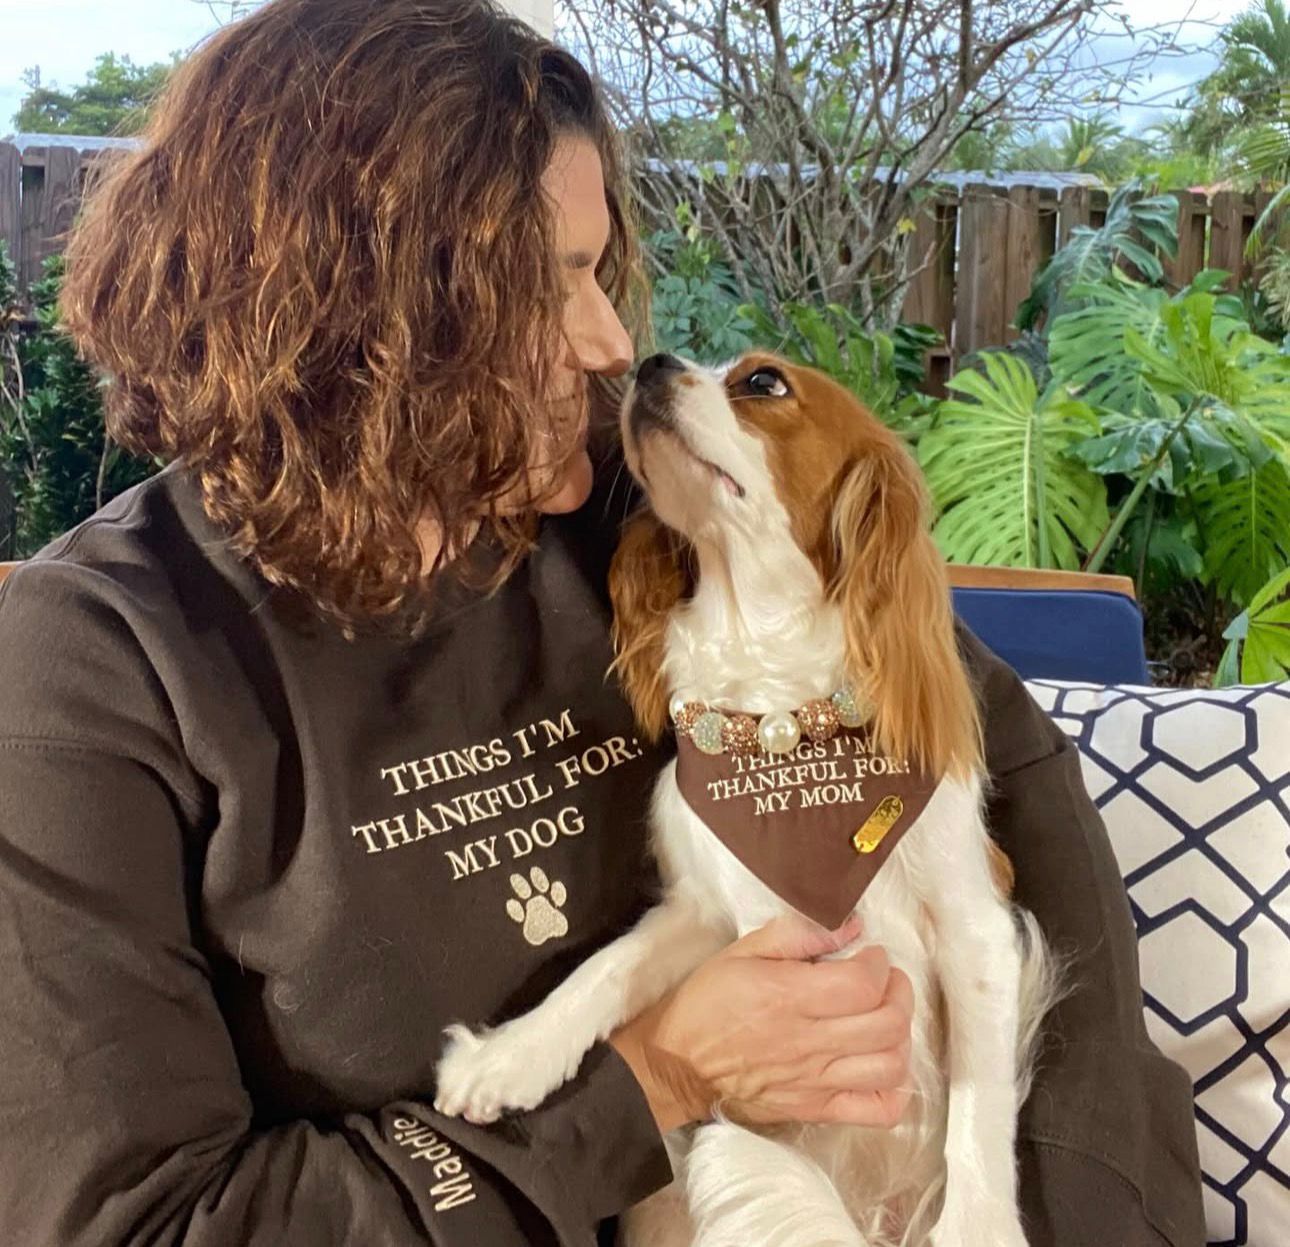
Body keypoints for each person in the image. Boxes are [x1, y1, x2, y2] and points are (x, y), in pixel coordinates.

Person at [0, 1, 1204, 1244]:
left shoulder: (639, 505)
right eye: (546, 284)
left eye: (598, 267)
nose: (610, 341)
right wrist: (654, 1080)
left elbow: (1006, 779)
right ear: (342, 313)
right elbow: (136, 1221)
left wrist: (1061, 1204)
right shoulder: (97, 661)